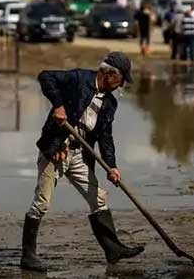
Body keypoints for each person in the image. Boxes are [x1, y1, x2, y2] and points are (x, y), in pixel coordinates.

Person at [21, 52, 144, 272]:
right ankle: (28, 256)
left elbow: (106, 136)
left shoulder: (109, 103)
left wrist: (112, 165)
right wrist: (58, 105)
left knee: (98, 198)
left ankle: (113, 249)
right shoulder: (79, 79)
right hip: (56, 150)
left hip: (78, 155)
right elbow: (45, 76)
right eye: (121, 79)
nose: (122, 84)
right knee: (42, 202)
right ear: (109, 75)